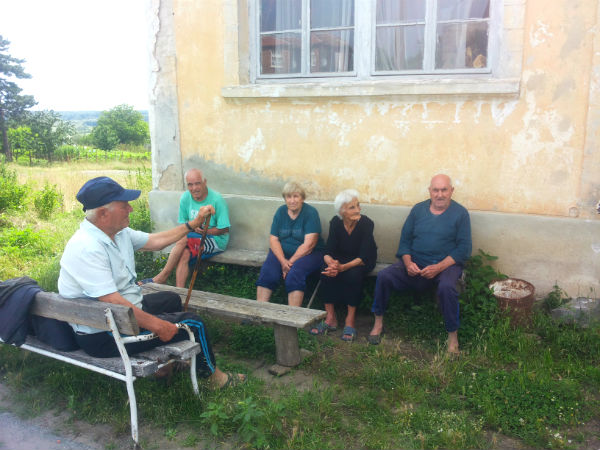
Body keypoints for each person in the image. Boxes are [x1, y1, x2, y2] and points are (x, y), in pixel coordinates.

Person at [58, 176, 244, 388]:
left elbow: (156, 241)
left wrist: (192, 225)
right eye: (124, 205)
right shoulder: (87, 247)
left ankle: (165, 367)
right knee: (194, 323)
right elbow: (113, 301)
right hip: (104, 335)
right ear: (103, 213)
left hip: (118, 318)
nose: (131, 209)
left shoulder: (118, 233)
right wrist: (158, 325)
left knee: (171, 299)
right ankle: (214, 379)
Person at [368, 174, 471, 354]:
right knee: (384, 276)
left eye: (444, 190)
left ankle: (452, 336)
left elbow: (463, 249)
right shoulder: (418, 210)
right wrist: (408, 263)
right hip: (416, 263)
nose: (440, 194)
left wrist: (438, 267)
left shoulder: (460, 214)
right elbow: (405, 242)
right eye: (436, 190)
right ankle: (378, 323)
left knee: (447, 287)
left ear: (451, 191)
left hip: (446, 266)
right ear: (430, 191)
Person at [310, 190, 377, 342]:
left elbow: (363, 256)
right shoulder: (336, 222)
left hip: (362, 260)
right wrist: (331, 264)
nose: (358, 210)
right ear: (342, 211)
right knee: (325, 271)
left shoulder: (367, 223)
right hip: (341, 258)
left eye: (358, 206)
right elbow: (328, 250)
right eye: (352, 207)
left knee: (353, 275)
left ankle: (350, 320)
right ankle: (330, 318)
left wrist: (342, 268)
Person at [146, 168, 230, 287]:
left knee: (183, 238)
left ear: (204, 182)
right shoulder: (186, 198)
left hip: (216, 240)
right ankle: (179, 293)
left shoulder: (216, 199)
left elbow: (225, 229)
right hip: (194, 237)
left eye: (197, 183)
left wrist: (205, 231)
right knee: (185, 253)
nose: (194, 188)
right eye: (190, 185)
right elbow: (183, 224)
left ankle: (163, 276)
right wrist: (193, 228)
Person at [256, 181, 326, 307]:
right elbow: (274, 240)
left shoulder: (310, 213)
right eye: (289, 197)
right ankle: (258, 312)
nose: (292, 200)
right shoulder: (281, 212)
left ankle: (292, 317)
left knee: (295, 273)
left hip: (311, 254)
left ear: (302, 198)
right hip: (283, 253)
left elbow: (309, 245)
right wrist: (283, 261)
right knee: (268, 271)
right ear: (285, 198)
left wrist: (289, 263)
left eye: (296, 196)